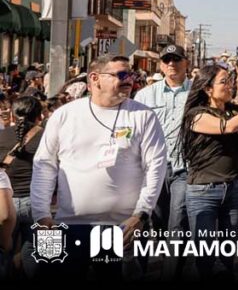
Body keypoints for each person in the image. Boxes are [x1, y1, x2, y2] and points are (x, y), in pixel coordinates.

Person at [30, 55, 167, 280]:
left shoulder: (144, 115)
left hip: (123, 228)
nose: (129, 80)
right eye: (121, 74)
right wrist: (41, 215)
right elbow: (44, 165)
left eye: (131, 74)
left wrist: (141, 214)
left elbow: (155, 167)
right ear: (95, 78)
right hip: (65, 225)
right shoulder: (65, 115)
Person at [178, 65, 238, 281]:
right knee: (205, 255)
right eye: (224, 81)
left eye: (230, 80)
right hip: (203, 192)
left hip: (235, 188)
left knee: (227, 253)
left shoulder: (237, 112)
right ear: (208, 89)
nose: (230, 85)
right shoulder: (196, 115)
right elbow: (227, 127)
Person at [132, 44, 192, 279]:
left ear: (186, 63)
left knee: (178, 221)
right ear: (161, 65)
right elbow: (134, 131)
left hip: (184, 167)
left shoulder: (198, 93)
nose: (171, 64)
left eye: (176, 59)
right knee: (158, 222)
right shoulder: (145, 95)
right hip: (153, 169)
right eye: (167, 60)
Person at [0, 96, 43, 277]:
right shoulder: (47, 137)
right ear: (40, 116)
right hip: (38, 204)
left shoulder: (1, 135)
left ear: (12, 114)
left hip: (4, 203)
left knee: (3, 251)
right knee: (38, 254)